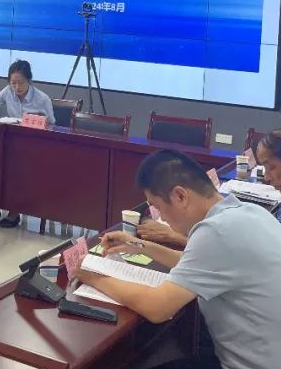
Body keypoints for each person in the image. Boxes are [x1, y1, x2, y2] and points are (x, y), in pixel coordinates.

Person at [76, 149, 281, 369]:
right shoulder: (250, 212)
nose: (162, 217)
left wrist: (92, 276)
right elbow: (194, 263)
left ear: (180, 196)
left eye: (158, 207)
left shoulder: (216, 232)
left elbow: (157, 307)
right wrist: (137, 245)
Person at [0, 60, 55, 125]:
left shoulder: (43, 99)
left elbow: (52, 125)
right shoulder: (8, 90)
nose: (17, 87)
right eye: (13, 83)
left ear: (29, 80)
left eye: (21, 83)